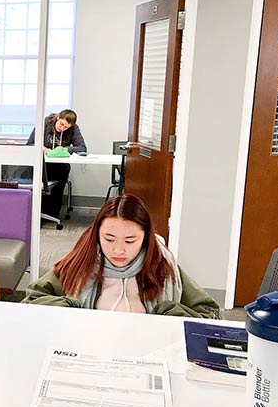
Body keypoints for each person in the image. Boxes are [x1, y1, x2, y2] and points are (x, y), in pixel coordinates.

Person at [22, 195, 221, 319]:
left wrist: (170, 314)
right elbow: (32, 299)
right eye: (109, 239)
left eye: (130, 241)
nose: (118, 250)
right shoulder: (81, 261)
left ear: (145, 238)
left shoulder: (162, 265)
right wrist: (69, 307)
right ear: (97, 235)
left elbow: (209, 313)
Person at [26, 109, 87, 221]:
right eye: (61, 124)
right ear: (58, 118)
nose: (62, 128)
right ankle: (36, 215)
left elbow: (82, 148)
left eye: (66, 127)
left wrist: (63, 150)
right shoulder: (45, 123)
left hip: (60, 166)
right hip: (42, 164)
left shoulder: (74, 128)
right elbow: (30, 143)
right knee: (40, 186)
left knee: (59, 183)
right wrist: (42, 148)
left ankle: (52, 215)